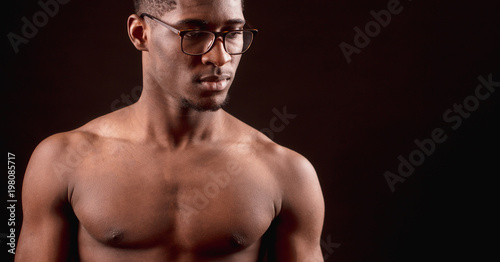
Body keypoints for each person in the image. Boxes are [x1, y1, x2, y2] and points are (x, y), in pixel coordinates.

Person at [15, 0, 325, 261]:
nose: (221, 57)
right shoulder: (63, 159)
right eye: (193, 33)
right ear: (140, 33)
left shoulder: (286, 172)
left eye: (233, 33)